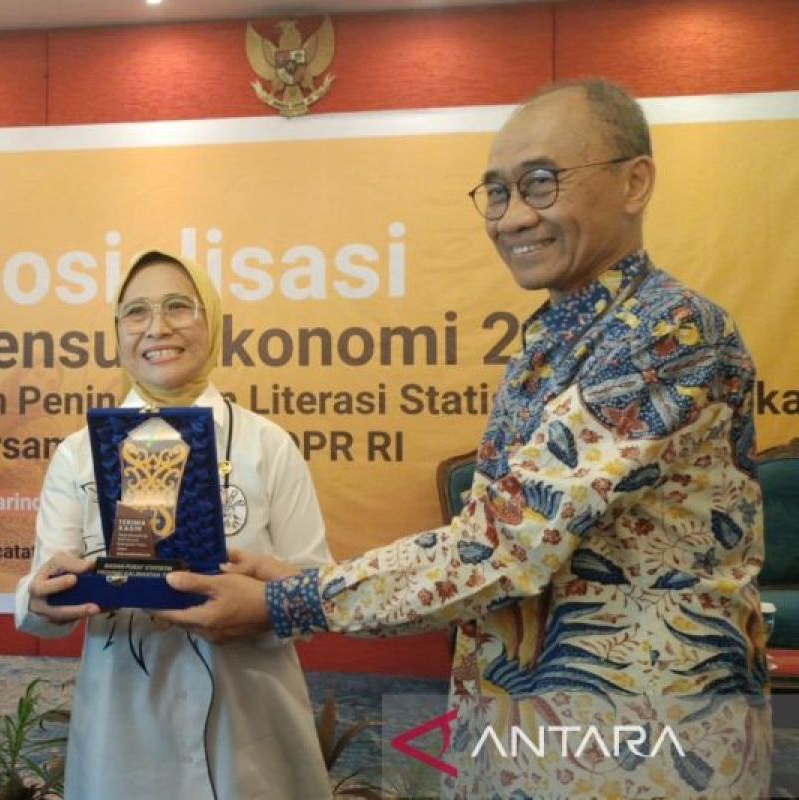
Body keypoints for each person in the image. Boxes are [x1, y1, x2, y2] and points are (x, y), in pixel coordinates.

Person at [162, 79, 772, 797]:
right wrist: (294, 586)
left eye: (541, 183)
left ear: (634, 182)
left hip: (641, 744)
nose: (513, 217)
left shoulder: (670, 332)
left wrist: (286, 601)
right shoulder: (553, 339)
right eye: (497, 192)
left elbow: (507, 544)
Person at [15, 250, 334, 799]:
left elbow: (317, 592)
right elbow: (41, 595)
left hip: (251, 733)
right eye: (136, 311)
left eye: (179, 307)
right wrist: (43, 596)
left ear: (212, 321)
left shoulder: (268, 445)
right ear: (117, 331)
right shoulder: (78, 454)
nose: (157, 327)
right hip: (124, 736)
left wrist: (260, 604)